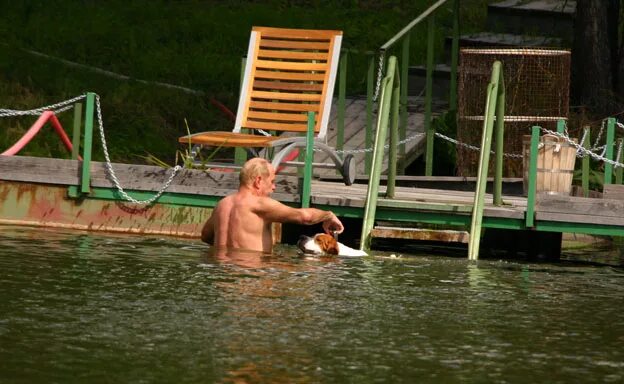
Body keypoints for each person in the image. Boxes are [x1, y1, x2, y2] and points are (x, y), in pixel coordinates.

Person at [201, 158, 344, 253]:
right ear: (258, 181)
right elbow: (304, 217)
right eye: (272, 181)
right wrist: (328, 215)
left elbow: (205, 236)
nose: (274, 187)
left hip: (221, 274)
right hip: (250, 275)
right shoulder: (259, 204)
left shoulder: (222, 204)